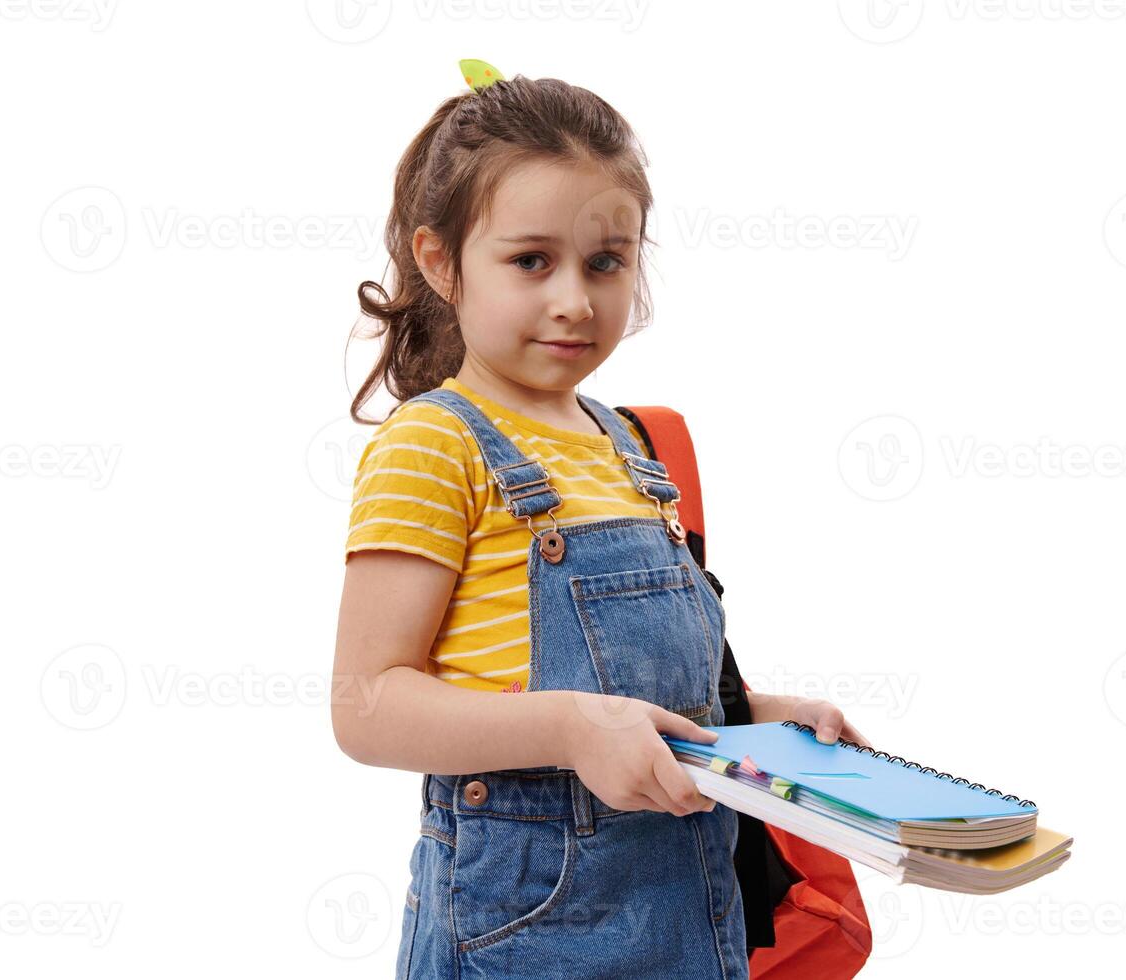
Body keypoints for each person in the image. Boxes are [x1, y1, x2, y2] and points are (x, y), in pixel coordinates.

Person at [330, 61, 866, 980]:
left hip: (693, 921)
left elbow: (653, 697)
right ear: (438, 260)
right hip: (528, 932)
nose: (574, 299)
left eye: (606, 262)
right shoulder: (435, 444)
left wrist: (755, 721)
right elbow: (366, 704)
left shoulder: (631, 444)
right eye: (530, 260)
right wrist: (571, 728)